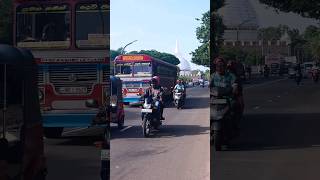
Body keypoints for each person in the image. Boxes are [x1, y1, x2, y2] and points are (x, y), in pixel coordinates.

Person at [211, 57, 239, 133]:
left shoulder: (231, 76)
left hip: (227, 98)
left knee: (235, 106)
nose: (220, 68)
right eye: (218, 66)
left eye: (221, 66)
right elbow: (209, 86)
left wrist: (234, 89)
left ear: (225, 67)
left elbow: (235, 85)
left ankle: (234, 126)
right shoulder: (213, 76)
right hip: (215, 99)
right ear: (216, 67)